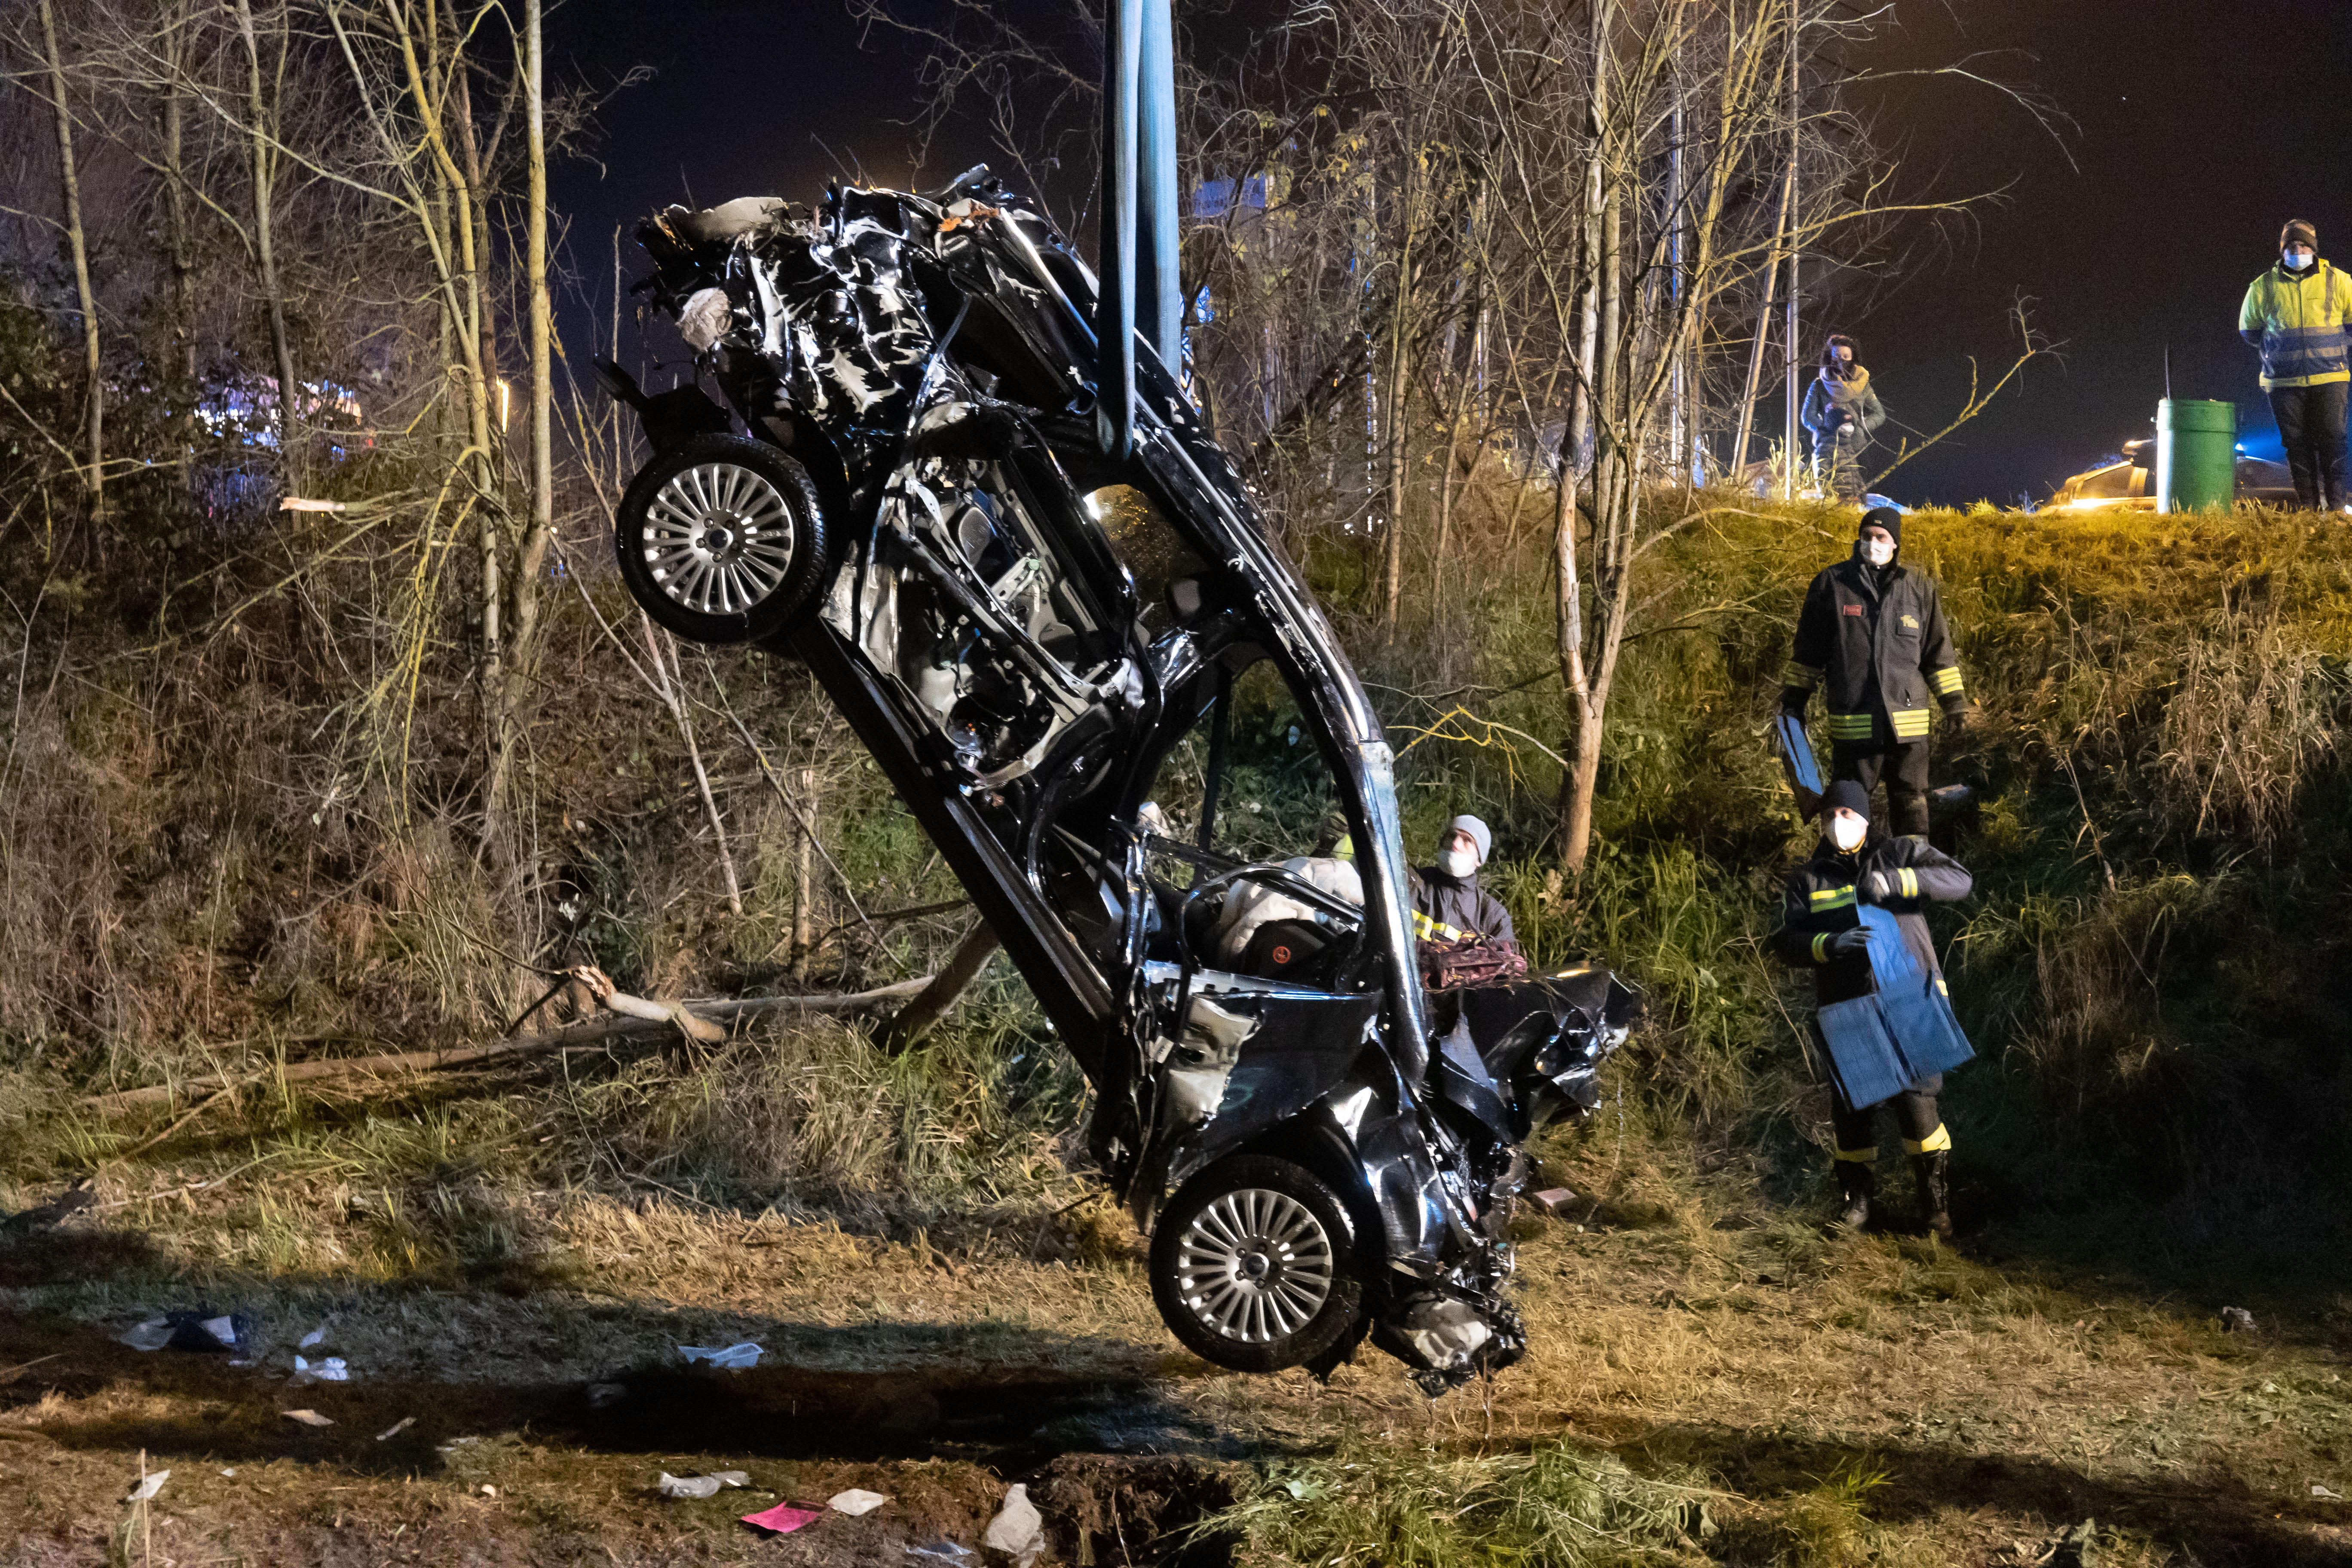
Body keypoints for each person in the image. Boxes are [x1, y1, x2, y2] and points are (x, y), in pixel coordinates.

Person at [1772, 779, 1973, 1234]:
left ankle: (1935, 1207)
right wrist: (1831, 943)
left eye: (1844, 814)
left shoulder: (1899, 852)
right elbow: (1786, 942)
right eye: (1828, 817)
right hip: (1848, 1004)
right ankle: (1857, 1205)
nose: (1836, 824)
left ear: (1864, 817)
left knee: (1917, 1101)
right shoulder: (1808, 878)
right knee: (1853, 1106)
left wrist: (1898, 881)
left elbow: (1959, 880)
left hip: (1908, 994)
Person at [1780, 506, 1966, 841]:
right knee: (1850, 810)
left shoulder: (1919, 588)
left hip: (1908, 730)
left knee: (1911, 805)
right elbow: (1807, 656)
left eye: (1881, 537)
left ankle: (1909, 881)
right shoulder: (1832, 585)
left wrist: (1955, 703)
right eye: (1866, 536)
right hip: (1855, 726)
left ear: (1895, 543)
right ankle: (1852, 881)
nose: (1873, 543)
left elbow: (1937, 653)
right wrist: (1794, 704)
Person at [2240, 220, 2352, 513]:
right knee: (2297, 446)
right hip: (2283, 383)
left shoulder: (2339, 281)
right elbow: (2249, 330)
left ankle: (2337, 509)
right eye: (2292, 246)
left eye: (2303, 245)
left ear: (2314, 249)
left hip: (2331, 377)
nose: (2298, 250)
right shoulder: (2264, 285)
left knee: (2333, 441)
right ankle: (2309, 511)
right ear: (2283, 250)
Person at [1799, 335, 1886, 502]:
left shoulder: (1862, 385)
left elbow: (1879, 414)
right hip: (1828, 447)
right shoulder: (1819, 384)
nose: (1841, 361)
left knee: (1859, 495)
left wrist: (1861, 426)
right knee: (1829, 490)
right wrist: (1826, 430)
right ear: (1829, 357)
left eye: (1846, 357)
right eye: (1837, 356)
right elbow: (1807, 416)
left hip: (1857, 447)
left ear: (1853, 358)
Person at [1410, 815, 1514, 946]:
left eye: (1468, 840)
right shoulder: (1411, 883)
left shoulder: (1494, 917)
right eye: (1452, 836)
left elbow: (1507, 963)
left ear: (1479, 860)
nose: (1455, 844)